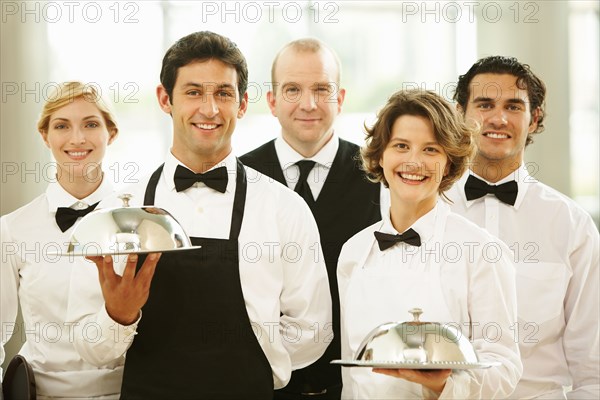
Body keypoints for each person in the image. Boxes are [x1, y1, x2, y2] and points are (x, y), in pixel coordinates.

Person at [66, 31, 332, 399]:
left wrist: (252, 367)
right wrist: (118, 316)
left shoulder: (285, 209)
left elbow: (312, 330)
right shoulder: (115, 212)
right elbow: (86, 345)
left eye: (223, 93)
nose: (209, 109)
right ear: (165, 99)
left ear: (241, 104)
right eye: (193, 92)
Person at [337, 89, 523, 399]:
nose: (413, 161)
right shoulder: (353, 252)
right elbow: (352, 374)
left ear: (449, 163)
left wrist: (443, 385)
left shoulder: (481, 251)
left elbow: (504, 367)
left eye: (430, 150)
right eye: (401, 146)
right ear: (381, 156)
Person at [447, 55, 600, 399]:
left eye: (514, 106)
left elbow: (593, 368)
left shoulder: (572, 227)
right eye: (484, 104)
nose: (498, 118)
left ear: (535, 119)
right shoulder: (427, 215)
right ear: (460, 113)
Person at [240, 38, 382, 399]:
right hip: (258, 383)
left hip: (354, 382)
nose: (308, 103)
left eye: (322, 89)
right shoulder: (239, 177)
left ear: (341, 98)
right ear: (271, 101)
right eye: (292, 90)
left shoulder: (381, 175)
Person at [1, 81, 121, 398]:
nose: (77, 138)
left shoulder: (139, 221)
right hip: (38, 392)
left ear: (111, 133)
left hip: (128, 391)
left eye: (91, 124)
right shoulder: (12, 229)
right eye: (62, 126)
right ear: (45, 136)